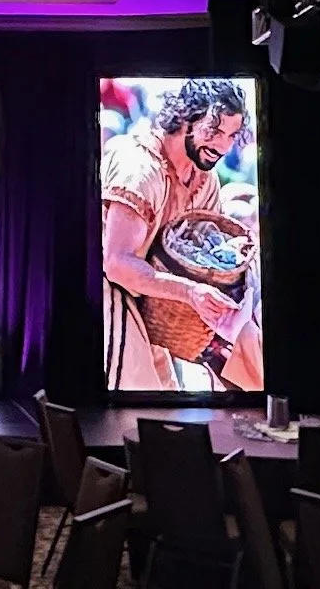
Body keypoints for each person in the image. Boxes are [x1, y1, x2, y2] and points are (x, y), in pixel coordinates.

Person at [101, 78, 263, 392]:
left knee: (248, 354)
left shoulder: (204, 176)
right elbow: (116, 263)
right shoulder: (139, 168)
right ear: (185, 119)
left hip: (158, 298)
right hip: (111, 295)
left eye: (231, 135)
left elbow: (207, 254)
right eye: (214, 132)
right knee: (140, 395)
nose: (224, 146)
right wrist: (189, 292)